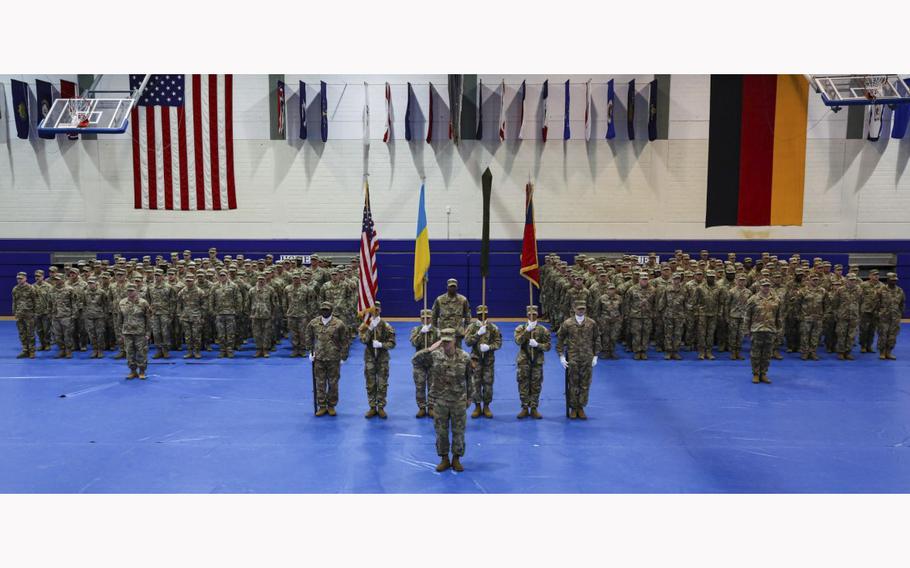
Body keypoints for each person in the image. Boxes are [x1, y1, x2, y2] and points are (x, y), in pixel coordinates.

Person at [412, 328, 472, 472]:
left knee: (459, 432)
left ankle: (456, 458)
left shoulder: (465, 357)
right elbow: (415, 360)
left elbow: (470, 379)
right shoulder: (435, 356)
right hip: (440, 401)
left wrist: (470, 397)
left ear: (455, 341)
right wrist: (430, 348)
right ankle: (444, 458)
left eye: (448, 342)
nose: (445, 344)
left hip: (458, 400)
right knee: (441, 432)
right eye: (443, 341)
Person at [556, 300, 601, 420]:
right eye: (579, 308)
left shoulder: (591, 323)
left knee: (585, 384)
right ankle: (573, 408)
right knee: (573, 383)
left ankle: (581, 407)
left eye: (583, 309)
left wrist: (596, 355)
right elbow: (560, 339)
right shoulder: (567, 323)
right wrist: (561, 356)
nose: (581, 311)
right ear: (574, 309)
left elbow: (596, 338)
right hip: (573, 357)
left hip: (587, 357)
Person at [305, 301, 351, 417]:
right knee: (320, 383)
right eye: (323, 309)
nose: (324, 311)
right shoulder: (314, 323)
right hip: (319, 358)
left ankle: (331, 406)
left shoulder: (339, 324)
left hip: (333, 358)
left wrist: (344, 356)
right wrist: (310, 351)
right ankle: (322, 406)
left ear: (331, 310)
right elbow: (308, 336)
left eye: (327, 309)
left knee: (333, 383)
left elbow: (345, 341)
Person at [359, 302, 396, 419]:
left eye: (377, 310)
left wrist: (381, 344)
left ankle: (380, 407)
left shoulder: (386, 326)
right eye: (373, 310)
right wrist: (370, 328)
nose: (375, 312)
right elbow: (364, 340)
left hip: (382, 358)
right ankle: (372, 407)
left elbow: (392, 343)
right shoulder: (364, 326)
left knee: (382, 383)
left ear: (380, 310)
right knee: (370, 383)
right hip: (369, 357)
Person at [464, 305, 502, 418]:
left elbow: (498, 343)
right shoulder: (472, 327)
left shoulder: (493, 328)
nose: (482, 316)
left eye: (484, 314)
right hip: (475, 360)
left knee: (488, 383)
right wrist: (478, 334)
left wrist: (489, 347)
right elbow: (467, 342)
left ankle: (486, 406)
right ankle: (477, 406)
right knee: (475, 383)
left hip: (488, 361)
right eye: (480, 314)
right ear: (477, 314)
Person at [513, 305, 551, 419]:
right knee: (523, 384)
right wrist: (527, 331)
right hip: (524, 361)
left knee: (536, 384)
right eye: (530, 314)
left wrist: (538, 345)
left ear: (537, 314)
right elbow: (518, 341)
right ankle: (524, 407)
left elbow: (548, 346)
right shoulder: (520, 328)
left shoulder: (543, 330)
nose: (532, 316)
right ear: (527, 315)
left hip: (537, 361)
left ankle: (534, 408)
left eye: (534, 314)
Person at [743, 279, 781, 384]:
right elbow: (747, 316)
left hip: (770, 329)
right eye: (764, 286)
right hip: (757, 329)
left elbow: (779, 316)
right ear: (760, 287)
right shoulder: (753, 299)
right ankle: (755, 374)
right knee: (755, 353)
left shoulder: (776, 299)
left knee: (767, 354)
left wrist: (779, 329)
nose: (766, 287)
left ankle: (763, 373)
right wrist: (746, 329)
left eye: (768, 285)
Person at [409, 309, 440, 418]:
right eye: (423, 318)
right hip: (419, 363)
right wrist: (421, 333)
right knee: (420, 385)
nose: (425, 320)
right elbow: (414, 343)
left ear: (431, 318)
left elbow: (440, 346)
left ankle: (431, 407)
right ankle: (422, 407)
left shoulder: (437, 331)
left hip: (433, 363)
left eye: (428, 318)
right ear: (420, 319)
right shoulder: (416, 330)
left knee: (433, 386)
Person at [119, 283, 152, 380]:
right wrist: (120, 333)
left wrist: (148, 333)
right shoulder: (122, 303)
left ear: (136, 291)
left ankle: (142, 371)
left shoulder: (143, 303)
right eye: (128, 291)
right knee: (129, 352)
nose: (130, 292)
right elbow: (119, 319)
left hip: (140, 332)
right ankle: (132, 371)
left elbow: (148, 319)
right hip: (127, 332)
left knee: (141, 352)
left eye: (132, 290)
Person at [431, 278, 471, 348]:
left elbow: (467, 314)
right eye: (450, 286)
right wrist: (435, 329)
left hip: (457, 333)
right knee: (442, 353)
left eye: (454, 287)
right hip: (443, 332)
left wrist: (466, 329)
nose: (452, 288)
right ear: (447, 287)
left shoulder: (463, 300)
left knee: (458, 353)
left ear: (457, 287)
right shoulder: (440, 299)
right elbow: (434, 315)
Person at [211, 270, 242, 358]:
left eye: (224, 275)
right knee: (220, 333)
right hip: (219, 313)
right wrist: (212, 311)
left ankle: (230, 350)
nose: (222, 277)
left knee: (230, 333)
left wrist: (237, 311)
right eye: (220, 275)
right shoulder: (215, 286)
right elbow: (211, 299)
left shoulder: (233, 286)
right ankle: (222, 350)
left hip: (230, 313)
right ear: (218, 276)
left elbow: (238, 299)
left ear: (227, 275)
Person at [626, 272, 656, 360]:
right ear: (639, 280)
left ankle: (644, 351)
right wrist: (627, 314)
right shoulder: (632, 289)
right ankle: (637, 351)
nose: (644, 281)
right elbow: (627, 302)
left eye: (646, 279)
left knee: (646, 334)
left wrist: (654, 314)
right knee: (636, 334)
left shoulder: (653, 289)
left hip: (648, 315)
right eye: (643, 279)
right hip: (635, 315)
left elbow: (656, 303)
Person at [797, 274, 827, 360]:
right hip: (806, 317)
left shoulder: (822, 291)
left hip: (818, 317)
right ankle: (805, 352)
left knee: (815, 336)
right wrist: (799, 315)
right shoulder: (803, 291)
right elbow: (797, 304)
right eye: (813, 279)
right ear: (809, 280)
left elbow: (826, 304)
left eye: (817, 279)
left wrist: (824, 315)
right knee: (805, 336)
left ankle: (813, 352)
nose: (815, 281)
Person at [832, 274, 863, 360]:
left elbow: (861, 302)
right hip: (842, 316)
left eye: (854, 280)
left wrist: (858, 314)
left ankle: (848, 352)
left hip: (854, 316)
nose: (852, 281)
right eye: (850, 280)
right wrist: (836, 314)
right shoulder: (840, 290)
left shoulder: (859, 290)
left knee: (851, 335)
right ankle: (841, 352)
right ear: (846, 280)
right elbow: (835, 303)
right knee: (841, 334)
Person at [875, 273, 905, 360]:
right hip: (883, 317)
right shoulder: (881, 290)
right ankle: (882, 352)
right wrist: (877, 314)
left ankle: (889, 352)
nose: (894, 282)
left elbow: (902, 304)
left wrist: (900, 314)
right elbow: (876, 303)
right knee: (883, 335)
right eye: (892, 280)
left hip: (895, 317)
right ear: (888, 280)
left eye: (895, 280)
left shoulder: (900, 291)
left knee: (893, 335)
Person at [658, 272, 687, 360]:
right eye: (675, 279)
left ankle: (675, 352)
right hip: (668, 315)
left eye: (678, 279)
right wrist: (660, 312)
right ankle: (668, 352)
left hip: (679, 316)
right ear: (672, 280)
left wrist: (686, 315)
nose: (676, 281)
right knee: (668, 334)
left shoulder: (684, 290)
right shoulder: (667, 289)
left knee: (678, 334)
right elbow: (662, 302)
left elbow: (686, 304)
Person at [177, 275, 206, 359]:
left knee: (196, 335)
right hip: (185, 317)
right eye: (187, 281)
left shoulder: (199, 291)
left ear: (194, 281)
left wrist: (202, 316)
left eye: (190, 281)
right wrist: (180, 315)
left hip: (196, 316)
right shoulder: (182, 291)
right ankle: (189, 352)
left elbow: (204, 305)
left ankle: (197, 351)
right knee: (187, 336)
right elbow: (179, 304)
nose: (188, 282)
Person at [50, 275, 78, 359]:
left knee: (67, 334)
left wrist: (74, 314)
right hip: (55, 315)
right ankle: (61, 350)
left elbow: (74, 303)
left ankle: (68, 350)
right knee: (57, 335)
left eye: (58, 279)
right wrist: (49, 313)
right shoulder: (52, 289)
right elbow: (49, 302)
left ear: (63, 279)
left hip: (66, 315)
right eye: (55, 280)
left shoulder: (70, 289)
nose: (56, 281)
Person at [724, 274, 751, 360]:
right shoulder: (731, 291)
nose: (741, 282)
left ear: (746, 281)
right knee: (733, 335)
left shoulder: (748, 292)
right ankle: (732, 352)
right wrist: (727, 316)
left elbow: (750, 306)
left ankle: (738, 352)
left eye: (743, 280)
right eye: (740, 280)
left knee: (740, 335)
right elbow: (727, 305)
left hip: (743, 317)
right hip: (733, 316)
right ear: (736, 281)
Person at [248, 274, 276, 358]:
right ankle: (258, 349)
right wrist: (249, 313)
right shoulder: (252, 290)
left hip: (266, 315)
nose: (261, 281)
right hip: (255, 315)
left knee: (266, 333)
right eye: (259, 279)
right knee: (256, 334)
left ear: (265, 280)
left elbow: (274, 303)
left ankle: (265, 350)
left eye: (262, 279)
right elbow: (248, 302)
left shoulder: (270, 290)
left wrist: (273, 314)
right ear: (257, 280)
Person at [12, 272, 37, 359]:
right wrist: (14, 312)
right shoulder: (15, 289)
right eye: (18, 278)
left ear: (25, 279)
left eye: (21, 278)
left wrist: (34, 313)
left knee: (30, 333)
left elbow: (35, 301)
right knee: (22, 333)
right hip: (19, 314)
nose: (19, 280)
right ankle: (25, 350)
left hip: (29, 314)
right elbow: (14, 302)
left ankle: (32, 351)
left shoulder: (31, 288)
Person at [83, 277, 110, 359]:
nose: (90, 285)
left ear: (96, 284)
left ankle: (100, 350)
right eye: (89, 283)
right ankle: (94, 350)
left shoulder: (102, 292)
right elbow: (84, 304)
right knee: (91, 334)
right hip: (89, 316)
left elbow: (106, 304)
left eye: (92, 283)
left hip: (99, 316)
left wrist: (105, 314)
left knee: (100, 333)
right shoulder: (85, 293)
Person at [597, 283, 623, 359]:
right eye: (610, 289)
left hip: (616, 321)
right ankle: (606, 352)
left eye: (613, 289)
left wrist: (621, 319)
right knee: (605, 336)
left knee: (614, 336)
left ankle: (612, 351)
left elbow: (622, 309)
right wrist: (599, 320)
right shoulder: (602, 298)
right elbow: (598, 310)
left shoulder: (619, 298)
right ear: (607, 290)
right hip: (605, 320)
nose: (611, 291)